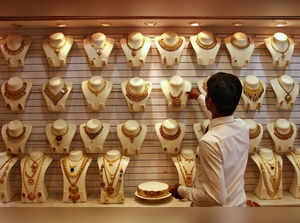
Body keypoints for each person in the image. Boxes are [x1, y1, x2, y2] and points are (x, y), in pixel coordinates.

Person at [170, 72, 249, 207]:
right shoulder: (243, 127)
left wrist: (181, 190)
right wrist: (200, 98)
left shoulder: (210, 142)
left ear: (210, 101)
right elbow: (220, 118)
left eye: (207, 95)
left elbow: (215, 198)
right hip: (239, 204)